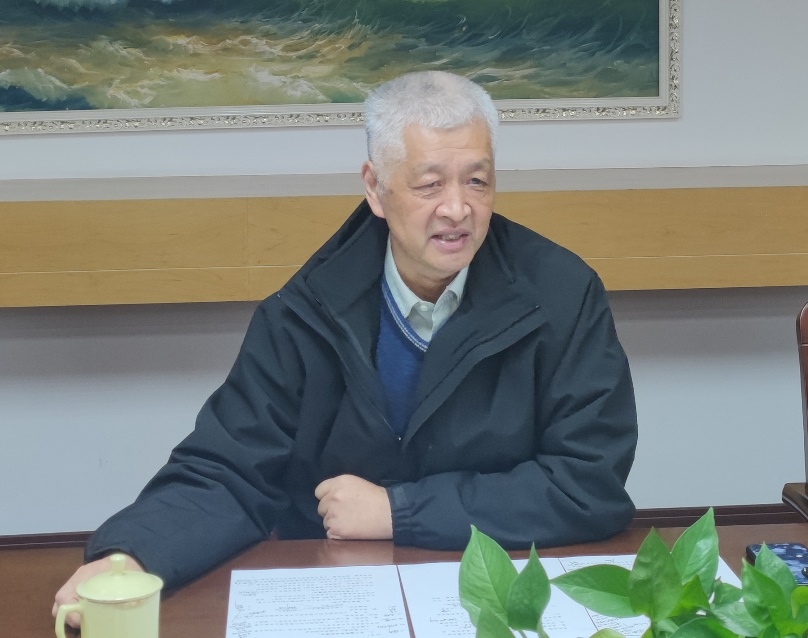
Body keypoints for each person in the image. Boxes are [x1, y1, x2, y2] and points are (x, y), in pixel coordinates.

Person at [54, 70, 638, 621]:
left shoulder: (562, 295)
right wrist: (131, 556)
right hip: (338, 589)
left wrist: (399, 512)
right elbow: (230, 470)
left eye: (477, 181)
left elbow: (588, 482)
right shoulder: (306, 310)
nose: (458, 208)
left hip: (498, 585)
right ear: (375, 188)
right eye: (430, 184)